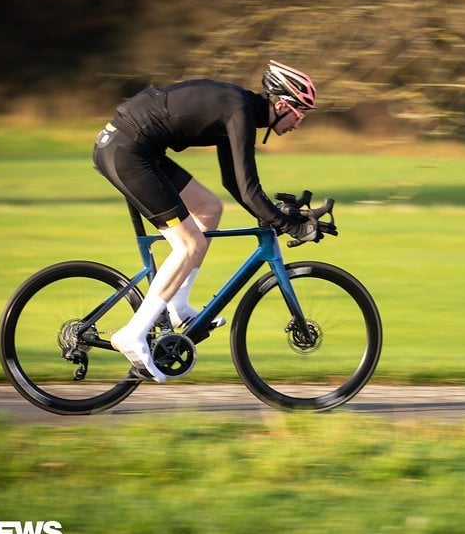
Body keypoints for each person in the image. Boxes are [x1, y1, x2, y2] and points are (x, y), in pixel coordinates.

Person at [93, 60, 320, 381]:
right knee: (188, 245)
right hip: (128, 151)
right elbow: (249, 190)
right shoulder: (239, 112)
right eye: (300, 113)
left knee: (209, 209)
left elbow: (236, 185)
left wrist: (280, 217)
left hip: (136, 148)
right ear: (283, 105)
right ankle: (133, 333)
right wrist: (292, 225)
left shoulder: (241, 111)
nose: (299, 123)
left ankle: (177, 307)